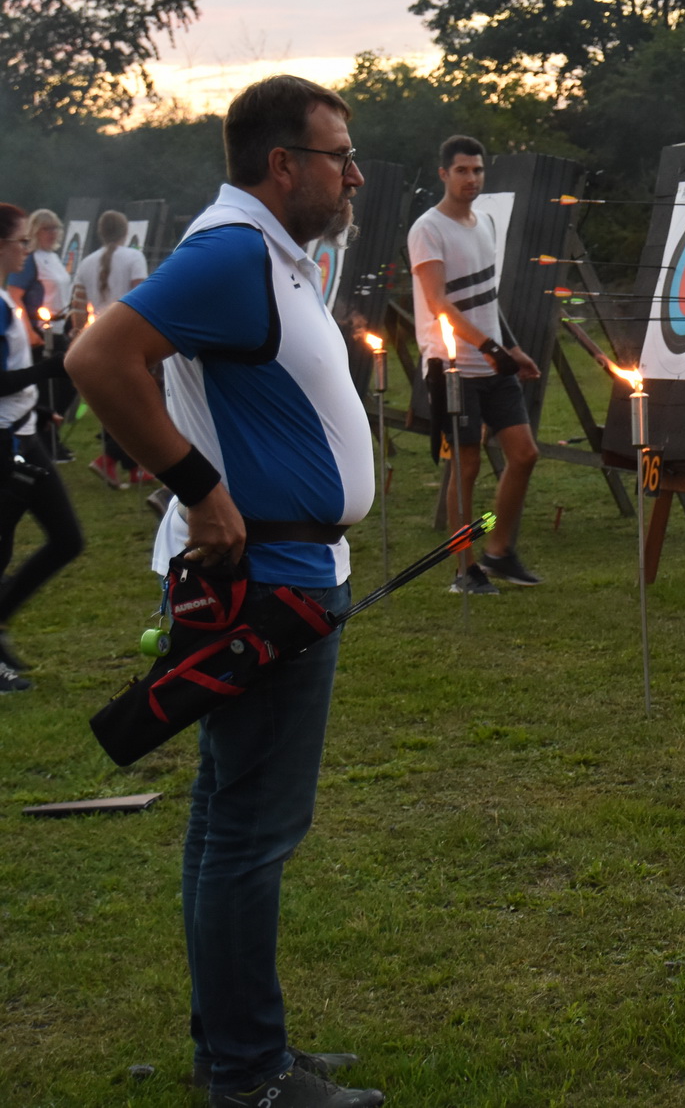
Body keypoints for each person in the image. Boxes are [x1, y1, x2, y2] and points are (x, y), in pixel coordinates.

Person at [67, 75, 384, 1108]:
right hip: (268, 587)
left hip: (291, 574)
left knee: (229, 821)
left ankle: (234, 1046)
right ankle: (250, 1073)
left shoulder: (271, 255)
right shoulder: (234, 252)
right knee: (251, 833)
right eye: (338, 156)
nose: (353, 175)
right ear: (282, 164)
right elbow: (99, 356)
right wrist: (200, 490)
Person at [408, 134, 543, 594]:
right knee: (466, 466)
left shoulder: (484, 222)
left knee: (524, 454)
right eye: (462, 171)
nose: (471, 178)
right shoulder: (428, 229)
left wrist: (511, 348)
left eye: (478, 170)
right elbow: (438, 302)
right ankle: (464, 570)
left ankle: (498, 551)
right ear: (443, 174)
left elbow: (487, 298)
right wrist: (489, 348)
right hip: (453, 367)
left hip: (492, 361)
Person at [0, 204, 81, 693]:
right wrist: (47, 370)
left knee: (67, 539)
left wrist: (39, 405)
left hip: (23, 432)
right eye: (20, 241)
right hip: (6, 440)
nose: (25, 250)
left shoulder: (5, 302)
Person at [72, 209, 150, 488]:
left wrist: (78, 335)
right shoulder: (134, 257)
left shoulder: (86, 262)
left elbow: (78, 305)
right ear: (125, 232)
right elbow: (143, 297)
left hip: (97, 337)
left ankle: (135, 467)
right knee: (134, 404)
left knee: (117, 401)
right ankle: (110, 458)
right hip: (128, 337)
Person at [20, 209, 75, 462]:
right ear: (35, 231)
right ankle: (46, 444)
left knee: (68, 384)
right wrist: (29, 331)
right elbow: (16, 294)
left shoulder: (53, 258)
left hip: (59, 329)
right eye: (46, 228)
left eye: (55, 228)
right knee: (47, 390)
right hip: (40, 333)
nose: (52, 233)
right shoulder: (30, 260)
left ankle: (51, 438)